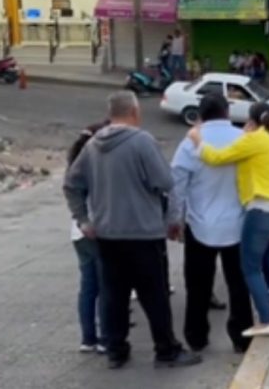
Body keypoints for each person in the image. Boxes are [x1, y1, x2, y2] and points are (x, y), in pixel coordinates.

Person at [64, 91, 201, 370]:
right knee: (155, 296)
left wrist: (83, 220)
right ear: (134, 113)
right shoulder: (142, 142)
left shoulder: (91, 146)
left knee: (113, 295)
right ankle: (166, 350)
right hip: (143, 233)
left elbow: (71, 184)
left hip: (106, 234)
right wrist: (172, 219)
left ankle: (116, 350)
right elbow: (164, 181)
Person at [187, 102, 269, 338]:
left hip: (262, 209)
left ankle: (265, 320)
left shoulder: (253, 139)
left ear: (252, 120)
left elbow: (216, 157)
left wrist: (197, 139)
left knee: (250, 267)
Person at [170, 94, 254, 353]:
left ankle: (196, 337)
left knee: (197, 285)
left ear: (200, 114)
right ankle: (242, 338)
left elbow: (177, 185)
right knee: (238, 285)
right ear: (227, 112)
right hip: (237, 225)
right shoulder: (243, 139)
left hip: (199, 225)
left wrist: (175, 220)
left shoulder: (190, 142)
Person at [67, 121, 110, 354]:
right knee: (105, 287)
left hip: (78, 233)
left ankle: (88, 338)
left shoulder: (74, 163)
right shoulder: (95, 164)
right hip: (98, 230)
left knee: (88, 287)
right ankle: (104, 337)